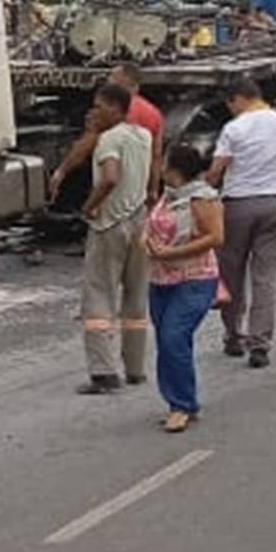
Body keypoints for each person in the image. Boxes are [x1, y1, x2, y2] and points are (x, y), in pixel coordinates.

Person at [207, 78, 276, 368]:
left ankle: (233, 336)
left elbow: (217, 169)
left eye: (231, 105)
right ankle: (260, 344)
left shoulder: (235, 128)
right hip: (275, 205)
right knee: (264, 278)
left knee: (232, 275)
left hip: (238, 206)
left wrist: (203, 192)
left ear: (237, 99)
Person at [75, 83, 153, 395]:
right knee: (135, 298)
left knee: (99, 295)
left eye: (99, 106)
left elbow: (109, 177)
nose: (94, 112)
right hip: (139, 221)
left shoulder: (109, 139)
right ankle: (135, 368)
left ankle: (104, 372)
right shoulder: (143, 135)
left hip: (110, 223)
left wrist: (89, 206)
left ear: (115, 109)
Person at [144, 144, 227, 432]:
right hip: (161, 278)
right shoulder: (168, 196)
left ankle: (182, 405)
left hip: (194, 277)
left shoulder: (202, 198)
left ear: (176, 168)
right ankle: (179, 400)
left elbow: (215, 237)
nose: (161, 169)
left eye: (165, 164)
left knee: (173, 337)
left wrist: (172, 253)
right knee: (170, 343)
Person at [49, 62, 164, 203]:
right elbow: (156, 155)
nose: (107, 82)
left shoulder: (110, 113)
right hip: (136, 195)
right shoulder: (153, 113)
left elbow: (89, 144)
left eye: (112, 79)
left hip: (114, 197)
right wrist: (153, 190)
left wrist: (62, 170)